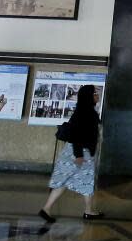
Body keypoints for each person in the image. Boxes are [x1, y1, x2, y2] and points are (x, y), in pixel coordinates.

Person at [39, 85, 103, 222]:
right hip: (81, 154)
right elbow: (77, 136)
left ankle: (47, 208)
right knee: (86, 181)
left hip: (74, 152)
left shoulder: (83, 111)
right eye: (95, 93)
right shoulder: (87, 113)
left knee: (65, 180)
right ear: (89, 96)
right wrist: (79, 155)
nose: (97, 96)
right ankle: (88, 211)